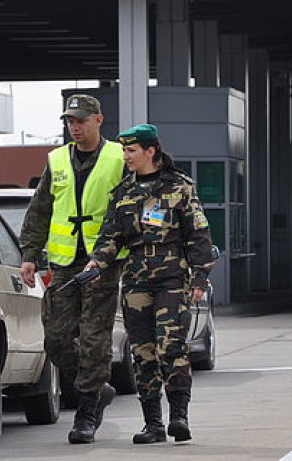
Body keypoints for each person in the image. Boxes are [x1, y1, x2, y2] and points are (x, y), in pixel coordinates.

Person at [83, 123, 216, 444]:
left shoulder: (179, 187)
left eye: (131, 151)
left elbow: (198, 234)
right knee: (142, 352)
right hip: (135, 279)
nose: (126, 157)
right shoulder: (124, 192)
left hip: (172, 277)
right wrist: (96, 263)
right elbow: (110, 236)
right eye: (125, 150)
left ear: (150, 151)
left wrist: (199, 276)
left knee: (171, 345)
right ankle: (153, 424)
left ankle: (179, 417)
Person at [19, 93, 127, 444]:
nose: (74, 127)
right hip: (65, 263)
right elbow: (40, 210)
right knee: (56, 340)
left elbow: (133, 206)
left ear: (98, 120)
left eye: (81, 120)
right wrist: (30, 254)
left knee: (95, 339)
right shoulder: (57, 160)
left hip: (103, 261)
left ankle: (87, 411)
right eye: (70, 121)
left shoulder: (117, 157)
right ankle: (98, 387)